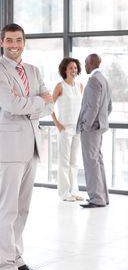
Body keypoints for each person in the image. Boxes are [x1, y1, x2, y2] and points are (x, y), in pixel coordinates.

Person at [0, 23, 54, 270]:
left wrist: (33, 104)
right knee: (7, 209)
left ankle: (17, 258)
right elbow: (13, 105)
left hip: (31, 147)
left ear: (24, 42)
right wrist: (38, 101)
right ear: (2, 42)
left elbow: (49, 105)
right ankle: (5, 268)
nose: (15, 45)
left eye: (19, 40)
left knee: (22, 209)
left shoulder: (34, 71)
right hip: (9, 150)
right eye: (9, 40)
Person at [76, 53, 112, 208]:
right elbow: (109, 107)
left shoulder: (93, 81)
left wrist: (86, 125)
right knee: (97, 161)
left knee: (91, 163)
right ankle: (103, 197)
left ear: (91, 63)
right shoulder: (105, 80)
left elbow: (92, 107)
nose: (84, 66)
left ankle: (96, 198)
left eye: (85, 63)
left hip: (91, 130)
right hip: (99, 127)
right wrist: (101, 121)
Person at [51, 57, 84, 202]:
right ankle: (64, 192)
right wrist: (57, 123)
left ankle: (74, 190)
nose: (73, 71)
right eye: (71, 68)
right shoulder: (60, 86)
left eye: (75, 68)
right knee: (64, 162)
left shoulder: (80, 86)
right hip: (64, 128)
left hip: (77, 128)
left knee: (74, 162)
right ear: (65, 70)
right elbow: (49, 106)